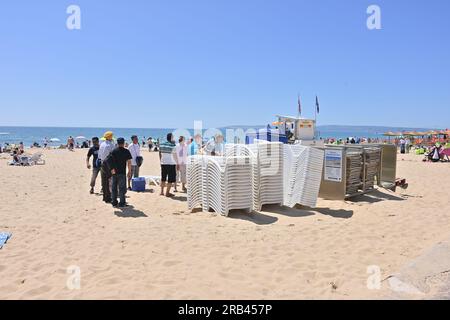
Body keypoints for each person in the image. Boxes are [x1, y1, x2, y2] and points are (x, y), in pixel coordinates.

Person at [110, 138, 132, 207]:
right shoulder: (126, 151)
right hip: (122, 172)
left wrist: (112, 170)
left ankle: (114, 202)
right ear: (123, 143)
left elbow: (110, 161)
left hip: (114, 172)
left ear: (117, 143)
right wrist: (129, 171)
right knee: (122, 188)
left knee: (114, 188)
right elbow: (129, 162)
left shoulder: (114, 151)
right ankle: (122, 203)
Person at [98, 131, 115, 203]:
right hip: (109, 164)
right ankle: (109, 197)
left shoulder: (102, 144)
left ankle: (104, 197)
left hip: (102, 163)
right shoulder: (111, 145)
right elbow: (113, 156)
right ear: (110, 137)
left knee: (104, 180)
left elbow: (99, 155)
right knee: (110, 180)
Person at [159, 133, 178, 197]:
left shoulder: (162, 144)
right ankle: (167, 193)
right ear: (171, 138)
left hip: (163, 163)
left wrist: (160, 160)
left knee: (163, 178)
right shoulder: (173, 145)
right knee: (170, 179)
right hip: (171, 164)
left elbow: (160, 153)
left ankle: (161, 192)